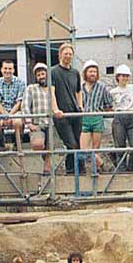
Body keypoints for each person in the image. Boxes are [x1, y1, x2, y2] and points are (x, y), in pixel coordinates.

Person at [50, 42, 83, 174]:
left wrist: (80, 106)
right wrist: (55, 109)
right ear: (60, 55)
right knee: (71, 144)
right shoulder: (53, 71)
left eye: (70, 54)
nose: (68, 56)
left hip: (75, 114)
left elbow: (78, 91)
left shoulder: (75, 73)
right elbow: (51, 92)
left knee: (78, 144)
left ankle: (78, 170)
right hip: (62, 115)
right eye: (65, 54)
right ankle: (71, 171)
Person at [79, 60, 113, 172]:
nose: (93, 74)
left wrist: (104, 111)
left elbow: (108, 104)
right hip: (84, 119)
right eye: (90, 71)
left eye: (94, 72)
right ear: (85, 73)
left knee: (95, 148)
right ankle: (102, 164)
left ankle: (96, 170)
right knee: (84, 149)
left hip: (97, 118)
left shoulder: (102, 87)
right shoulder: (80, 88)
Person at [21, 63, 52, 175]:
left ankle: (47, 169)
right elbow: (25, 106)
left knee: (51, 146)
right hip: (37, 123)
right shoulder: (31, 88)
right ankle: (46, 160)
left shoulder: (52, 89)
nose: (41, 76)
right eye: (38, 75)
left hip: (52, 123)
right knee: (38, 145)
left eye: (43, 74)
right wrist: (29, 123)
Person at [110, 64, 133, 172]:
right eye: (122, 76)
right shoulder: (112, 92)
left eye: (127, 76)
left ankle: (131, 169)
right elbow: (109, 106)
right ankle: (121, 170)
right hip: (119, 117)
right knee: (120, 147)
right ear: (118, 77)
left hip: (132, 116)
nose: (125, 78)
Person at [0, 60, 25, 153]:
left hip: (15, 110)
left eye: (10, 68)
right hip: (1, 110)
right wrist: (5, 115)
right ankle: (1, 143)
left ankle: (17, 143)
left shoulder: (21, 82)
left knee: (18, 122)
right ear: (1, 70)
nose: (7, 71)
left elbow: (19, 102)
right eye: (5, 68)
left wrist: (10, 115)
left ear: (13, 70)